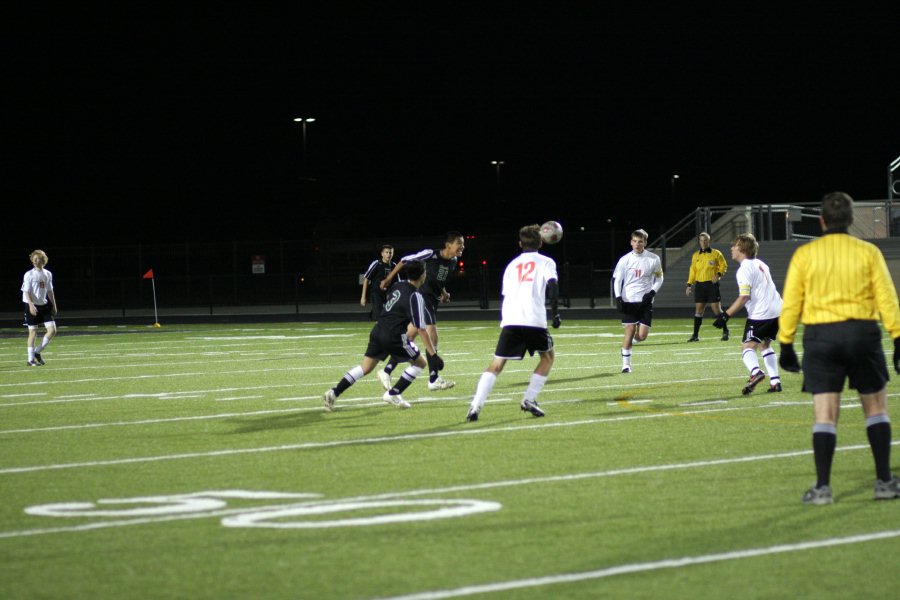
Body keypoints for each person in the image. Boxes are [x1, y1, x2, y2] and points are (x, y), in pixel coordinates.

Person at [777, 192, 900, 505]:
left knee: (825, 414)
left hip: (821, 338)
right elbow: (887, 296)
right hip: (862, 334)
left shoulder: (806, 254)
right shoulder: (868, 251)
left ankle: (822, 488)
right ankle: (885, 482)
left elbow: (792, 301)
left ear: (821, 221)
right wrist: (897, 338)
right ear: (850, 220)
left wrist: (786, 342)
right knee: (875, 409)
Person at [466, 225, 561, 422]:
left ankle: (476, 405)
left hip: (510, 318)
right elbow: (553, 286)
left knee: (497, 364)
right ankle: (529, 399)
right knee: (548, 357)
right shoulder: (546, 262)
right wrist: (555, 313)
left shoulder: (511, 265)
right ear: (541, 242)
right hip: (534, 319)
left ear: (520, 244)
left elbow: (506, 294)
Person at [323, 260, 441, 412]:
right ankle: (393, 393)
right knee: (421, 363)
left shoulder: (398, 285)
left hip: (378, 330)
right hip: (393, 336)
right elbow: (421, 329)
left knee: (365, 367)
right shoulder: (416, 296)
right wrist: (433, 354)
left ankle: (333, 392)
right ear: (422, 275)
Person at [378, 231, 465, 391]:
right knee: (432, 334)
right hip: (421, 298)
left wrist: (444, 293)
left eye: (463, 244)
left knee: (409, 337)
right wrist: (389, 278)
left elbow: (439, 280)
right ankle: (434, 379)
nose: (462, 247)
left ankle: (386, 371)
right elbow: (404, 261)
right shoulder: (430, 254)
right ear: (448, 245)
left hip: (432, 301)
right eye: (459, 243)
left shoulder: (453, 261)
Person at [713, 233, 783, 395]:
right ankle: (775, 382)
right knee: (764, 345)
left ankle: (756, 372)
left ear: (742, 248)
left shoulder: (744, 269)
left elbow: (744, 296)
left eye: (734, 245)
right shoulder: (760, 263)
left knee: (748, 346)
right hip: (778, 309)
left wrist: (726, 315)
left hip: (762, 313)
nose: (731, 248)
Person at [612, 229, 664, 373]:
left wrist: (652, 292)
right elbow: (617, 280)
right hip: (629, 300)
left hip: (645, 301)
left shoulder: (654, 259)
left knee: (642, 335)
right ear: (631, 242)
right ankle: (626, 364)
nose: (637, 244)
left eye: (640, 241)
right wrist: (618, 298)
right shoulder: (624, 259)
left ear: (645, 243)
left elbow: (660, 278)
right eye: (634, 241)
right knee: (629, 330)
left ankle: (630, 344)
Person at [685, 232, 730, 342]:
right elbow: (693, 270)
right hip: (700, 285)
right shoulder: (696, 255)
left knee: (716, 310)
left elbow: (724, 265)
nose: (703, 242)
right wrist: (689, 284)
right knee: (698, 310)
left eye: (705, 240)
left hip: (712, 285)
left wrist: (718, 274)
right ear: (699, 241)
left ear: (709, 241)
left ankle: (725, 331)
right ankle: (695, 335)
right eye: (701, 240)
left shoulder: (716, 253)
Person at [21, 249, 58, 367]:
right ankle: (30, 360)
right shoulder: (29, 274)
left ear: (44, 260)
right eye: (34, 259)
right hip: (31, 305)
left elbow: (50, 291)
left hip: (44, 305)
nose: (36, 261)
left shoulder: (47, 274)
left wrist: (54, 305)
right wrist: (31, 306)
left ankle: (37, 352)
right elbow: (26, 292)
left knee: (52, 330)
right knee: (33, 332)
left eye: (39, 259)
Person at [360, 244, 395, 320]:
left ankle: (374, 314)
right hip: (376, 293)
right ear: (382, 254)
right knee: (379, 317)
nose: (388, 254)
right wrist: (363, 297)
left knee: (389, 314)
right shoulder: (377, 264)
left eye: (390, 252)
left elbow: (397, 282)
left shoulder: (393, 265)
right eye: (386, 252)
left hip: (388, 294)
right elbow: (366, 279)